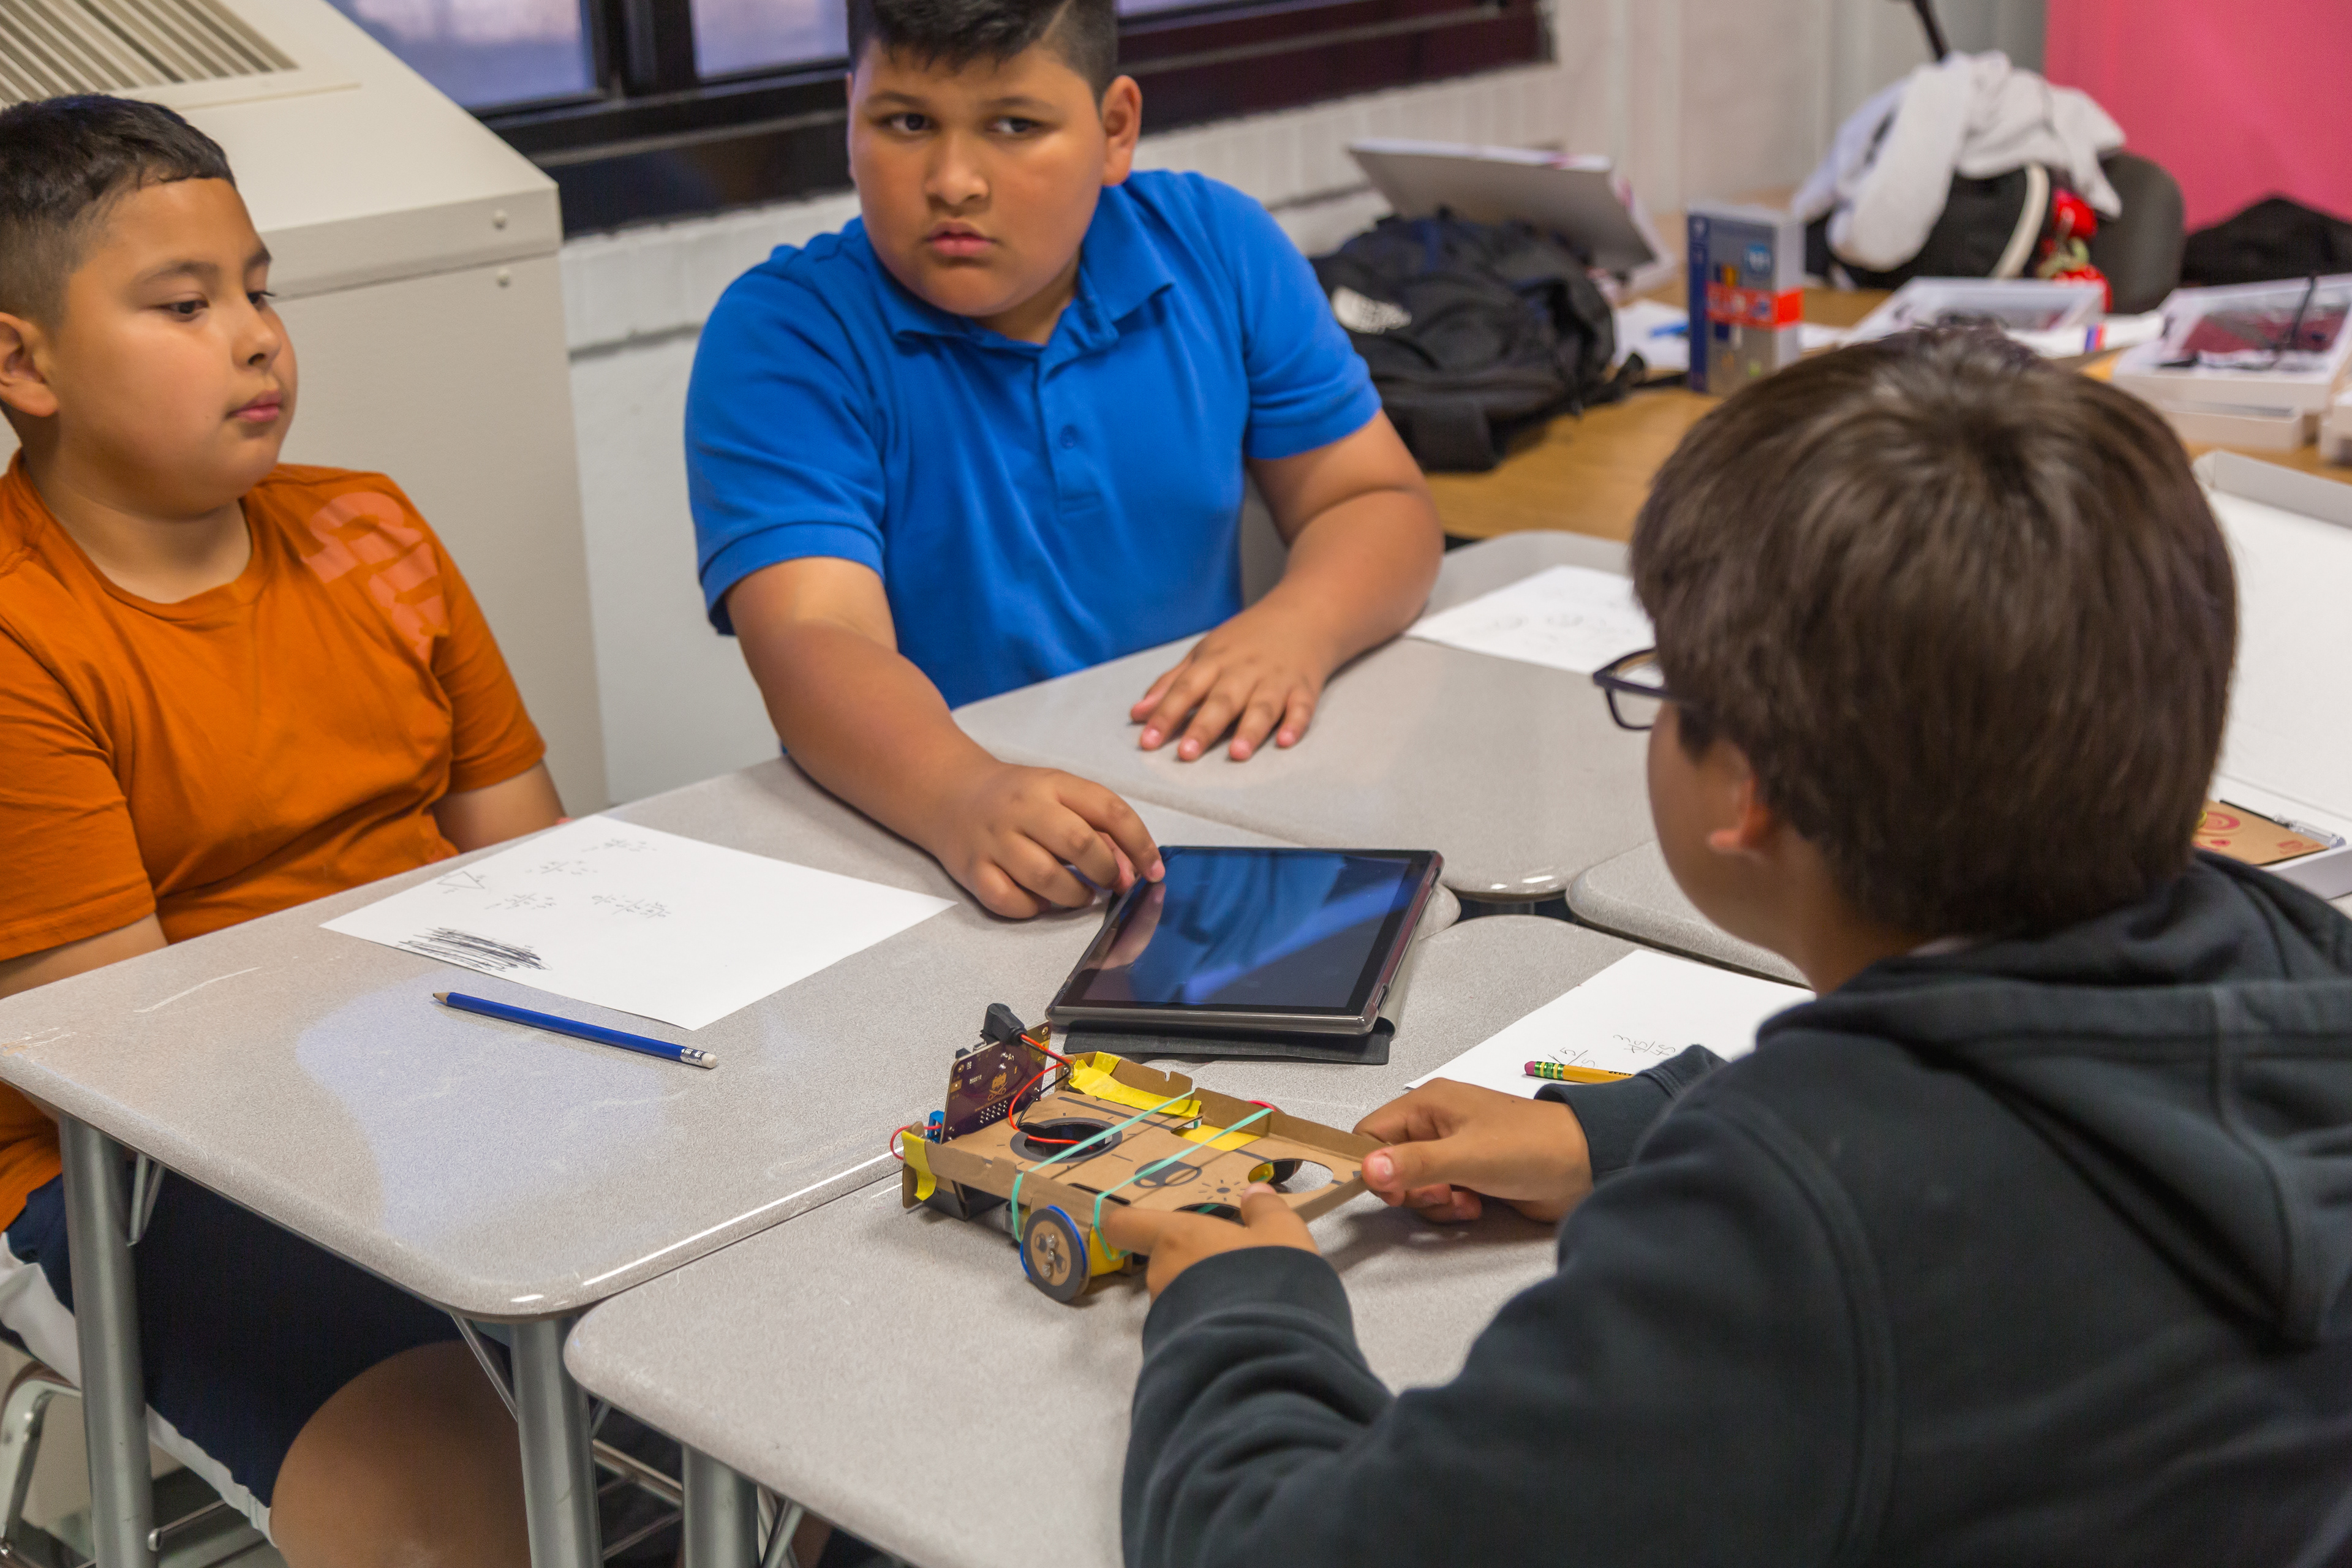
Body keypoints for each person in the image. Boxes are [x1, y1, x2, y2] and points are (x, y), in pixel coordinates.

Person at [1104, 329, 2352, 1566]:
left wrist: (1245, 1311)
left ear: (1746, 789)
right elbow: (2030, 1087)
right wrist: (1627, 1132)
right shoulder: (2296, 962)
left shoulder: (1784, 1249)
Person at [0, 95, 561, 1566]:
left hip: (438, 1073)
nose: (257, 337)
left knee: (760, 1399)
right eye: (185, 304)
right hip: (127, 1176)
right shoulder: (18, 637)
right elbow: (136, 1064)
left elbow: (543, 878)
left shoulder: (374, 529)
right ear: (22, 363)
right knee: (461, 1505)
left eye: (258, 289)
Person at [685, 0, 1443, 919]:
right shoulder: (785, 334)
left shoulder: (1218, 247)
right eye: (907, 122)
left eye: (1014, 125)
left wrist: (1300, 628)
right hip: (924, 836)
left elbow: (1372, 500)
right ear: (851, 117)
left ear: (1115, 129)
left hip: (1210, 806)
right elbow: (815, 634)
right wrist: (957, 790)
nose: (954, 182)